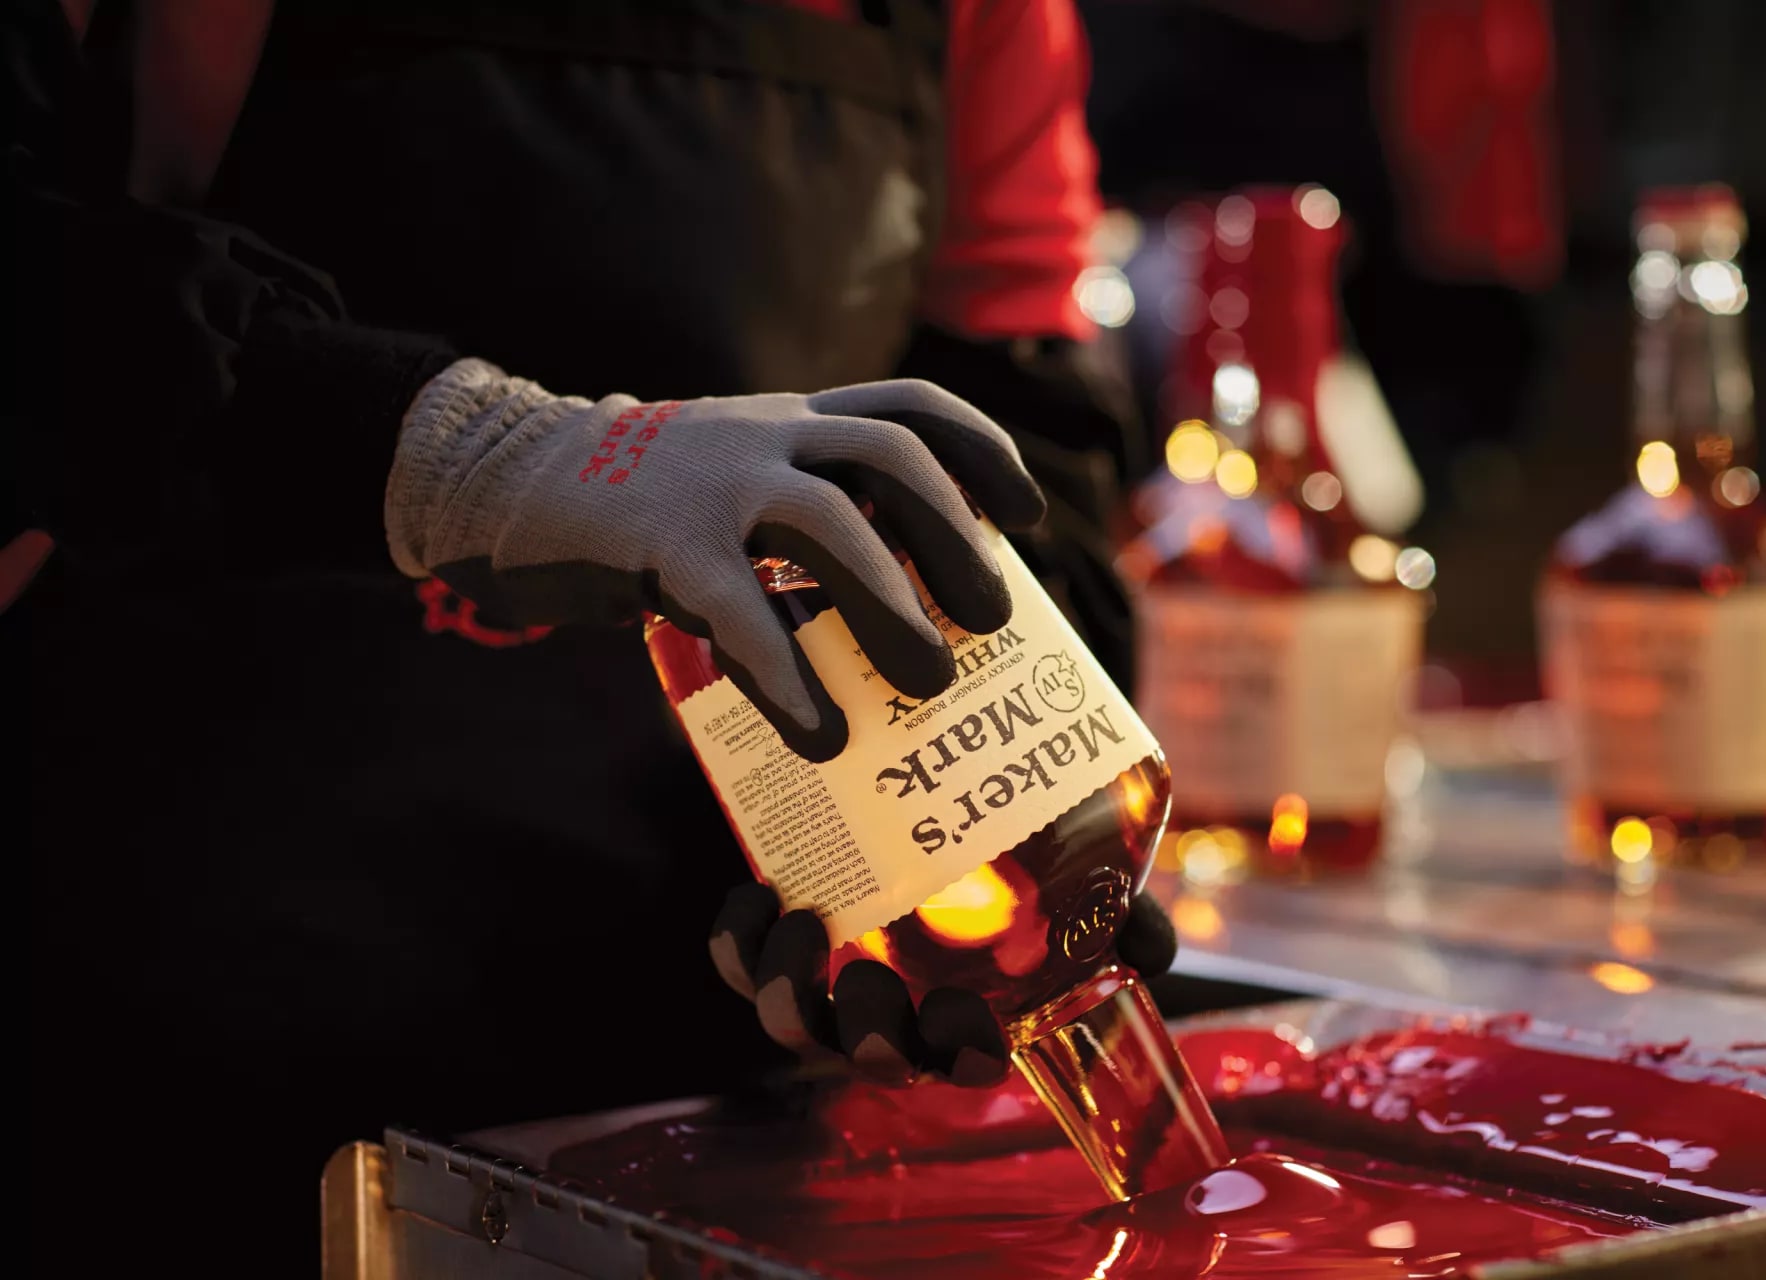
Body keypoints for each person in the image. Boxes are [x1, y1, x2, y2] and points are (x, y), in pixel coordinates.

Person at [13, 0, 1171, 1266]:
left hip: (695, 1052)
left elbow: (1023, 442)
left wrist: (972, 845)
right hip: (174, 994)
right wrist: (467, 460)